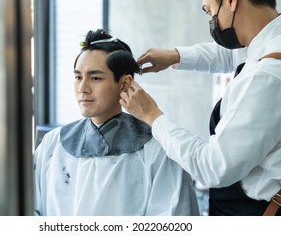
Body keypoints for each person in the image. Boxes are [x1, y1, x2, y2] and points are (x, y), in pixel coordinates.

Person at [120, 0, 281, 216]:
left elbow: (212, 167)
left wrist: (152, 116)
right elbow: (234, 54)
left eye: (210, 12)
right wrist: (176, 56)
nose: (212, 22)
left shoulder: (270, 76)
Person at [33, 29, 199, 216]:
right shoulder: (53, 145)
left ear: (124, 84)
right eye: (78, 77)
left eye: (95, 78)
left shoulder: (157, 150)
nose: (82, 88)